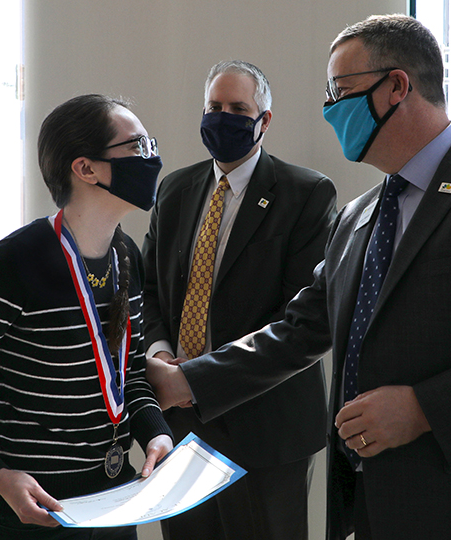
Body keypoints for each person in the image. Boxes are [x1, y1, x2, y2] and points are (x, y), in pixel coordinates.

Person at [147, 15, 451, 540]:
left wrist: (423, 408)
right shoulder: (358, 216)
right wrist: (189, 381)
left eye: (340, 91)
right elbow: (298, 330)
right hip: (373, 506)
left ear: (397, 87)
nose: (328, 109)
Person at [0, 94, 174, 540]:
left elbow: (126, 374)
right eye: (137, 147)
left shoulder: (126, 254)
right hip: (28, 513)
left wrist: (155, 433)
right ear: (86, 168)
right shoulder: (9, 265)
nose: (151, 159)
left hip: (112, 500)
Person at [142, 60, 336, 540]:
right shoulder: (175, 189)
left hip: (266, 428)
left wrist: (196, 379)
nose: (223, 116)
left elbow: (302, 321)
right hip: (180, 421)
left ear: (264, 120)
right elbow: (146, 292)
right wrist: (161, 354)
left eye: (238, 108)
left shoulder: (307, 194)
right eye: (214, 107)